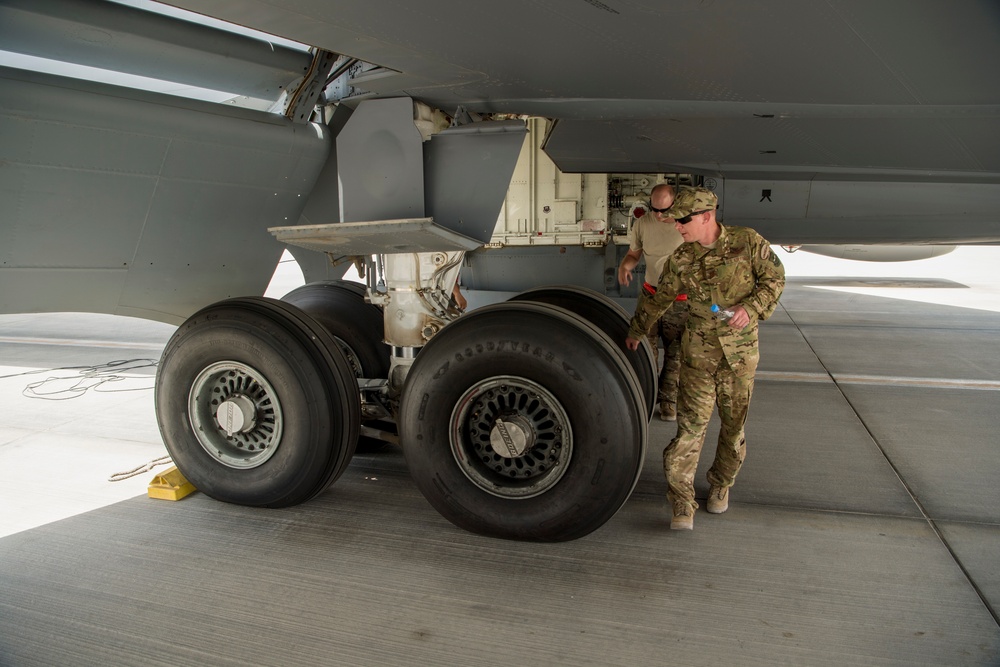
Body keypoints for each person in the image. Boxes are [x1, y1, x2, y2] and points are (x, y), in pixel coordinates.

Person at [625, 186, 785, 530]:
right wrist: (637, 330)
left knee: (732, 428)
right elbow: (659, 299)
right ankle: (682, 502)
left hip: (739, 357)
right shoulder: (682, 258)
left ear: (706, 216)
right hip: (698, 357)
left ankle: (721, 484)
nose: (677, 227)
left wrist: (751, 307)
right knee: (690, 429)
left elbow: (774, 278)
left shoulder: (748, 242)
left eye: (683, 220)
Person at [617, 183, 689, 421]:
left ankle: (669, 401)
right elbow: (633, 254)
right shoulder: (644, 223)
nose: (659, 215)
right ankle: (648, 396)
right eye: (654, 209)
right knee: (645, 351)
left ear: (675, 204)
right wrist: (625, 266)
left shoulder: (686, 225)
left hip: (679, 301)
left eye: (664, 210)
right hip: (650, 295)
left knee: (675, 353)